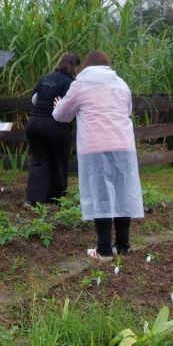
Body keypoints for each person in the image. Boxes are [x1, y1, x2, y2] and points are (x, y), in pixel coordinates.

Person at [51, 50, 143, 261]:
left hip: (96, 147)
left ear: (86, 66)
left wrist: (57, 106)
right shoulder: (121, 84)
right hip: (123, 146)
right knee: (122, 193)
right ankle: (123, 246)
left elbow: (61, 115)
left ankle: (103, 250)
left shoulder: (80, 84)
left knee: (101, 195)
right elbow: (126, 111)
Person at [25, 52, 80, 206]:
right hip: (54, 125)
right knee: (59, 161)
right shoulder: (70, 83)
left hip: (34, 123)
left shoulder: (45, 78)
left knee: (38, 161)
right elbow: (69, 106)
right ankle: (55, 199)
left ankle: (33, 200)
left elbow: (34, 99)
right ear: (75, 67)